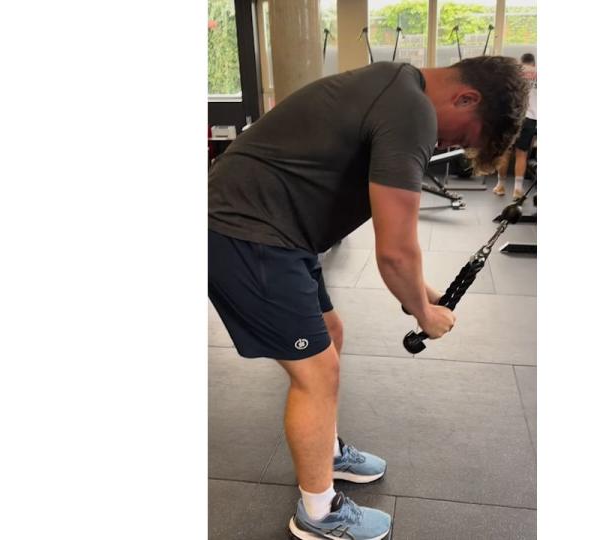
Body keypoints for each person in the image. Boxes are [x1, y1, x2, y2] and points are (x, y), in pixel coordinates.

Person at [208, 56, 528, 540]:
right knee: (316, 374)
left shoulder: (397, 86)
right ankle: (319, 514)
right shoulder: (411, 110)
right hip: (247, 232)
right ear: (466, 98)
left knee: (330, 335)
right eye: (461, 136)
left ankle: (326, 451)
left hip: (281, 231)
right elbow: (395, 251)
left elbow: (399, 255)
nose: (446, 145)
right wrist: (424, 313)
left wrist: (421, 294)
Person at [494, 52, 537, 200]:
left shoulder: (514, 72)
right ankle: (518, 189)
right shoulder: (538, 73)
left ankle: (500, 186)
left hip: (512, 115)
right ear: (533, 63)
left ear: (521, 61)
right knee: (522, 154)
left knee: (505, 151)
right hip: (530, 118)